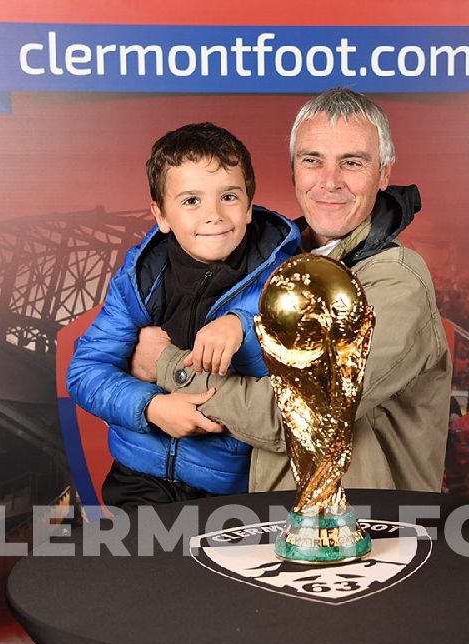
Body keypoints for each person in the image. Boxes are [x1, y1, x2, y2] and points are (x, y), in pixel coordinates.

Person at [130, 88, 451, 492]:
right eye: (312, 160)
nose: (329, 181)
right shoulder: (261, 266)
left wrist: (165, 365)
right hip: (265, 526)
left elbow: (295, 417)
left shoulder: (396, 283)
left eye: (352, 162)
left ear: (384, 173)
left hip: (368, 538)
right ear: (294, 171)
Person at [65, 122, 299, 510]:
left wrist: (244, 325)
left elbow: (299, 377)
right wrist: (152, 407)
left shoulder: (287, 277)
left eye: (228, 196)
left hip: (233, 488)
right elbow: (85, 371)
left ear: (249, 204)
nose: (214, 215)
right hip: (138, 477)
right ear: (161, 215)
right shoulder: (139, 281)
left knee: (221, 572)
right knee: (143, 568)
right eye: (191, 201)